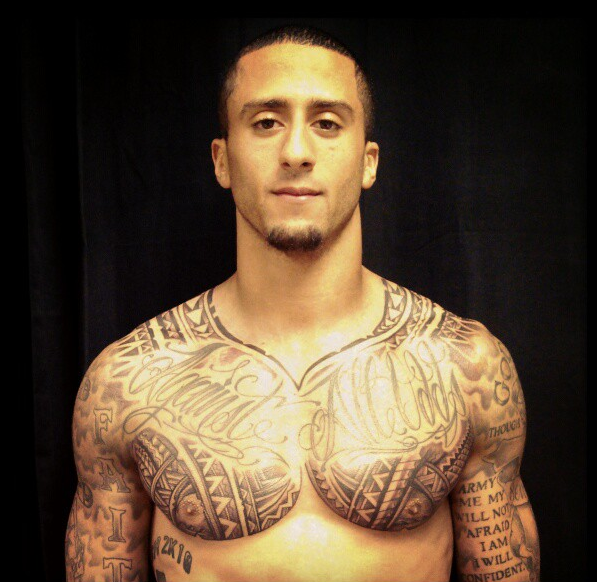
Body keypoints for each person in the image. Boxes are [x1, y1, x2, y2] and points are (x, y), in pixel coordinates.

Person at [65, 26, 540, 582]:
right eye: (266, 123)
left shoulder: (465, 368)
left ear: (368, 162)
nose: (295, 152)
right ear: (222, 160)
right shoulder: (129, 382)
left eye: (327, 123)